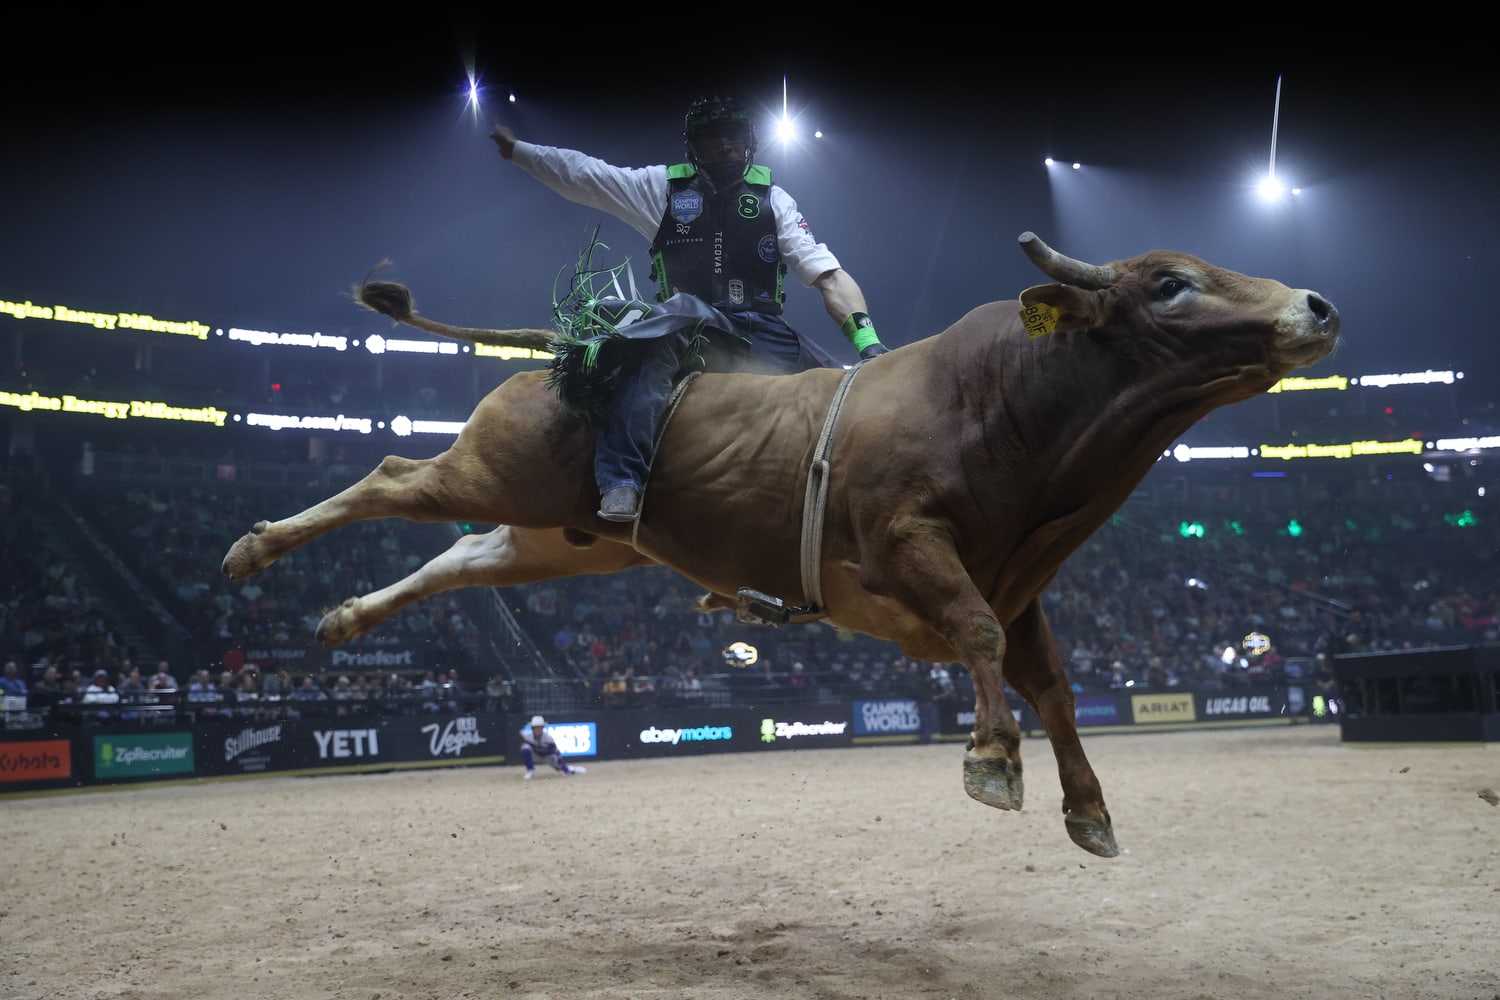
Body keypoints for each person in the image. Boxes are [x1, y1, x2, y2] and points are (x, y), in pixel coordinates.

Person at [489, 93, 888, 523]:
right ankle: (622, 480)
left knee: (844, 387)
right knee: (663, 325)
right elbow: (587, 175)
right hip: (689, 323)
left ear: (748, 141)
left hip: (761, 330)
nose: (725, 147)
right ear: (693, 145)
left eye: (733, 137)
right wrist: (519, 151)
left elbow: (828, 275)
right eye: (712, 138)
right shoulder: (659, 188)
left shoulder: (775, 200)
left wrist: (868, 343)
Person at [519, 714, 586, 780]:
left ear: (542, 728)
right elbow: (523, 743)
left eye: (539, 727)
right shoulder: (527, 736)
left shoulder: (549, 739)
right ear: (532, 728)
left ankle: (572, 769)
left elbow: (556, 753)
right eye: (535, 727)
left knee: (564, 771)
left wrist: (563, 768)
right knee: (525, 747)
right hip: (535, 755)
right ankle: (530, 771)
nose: (537, 729)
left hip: (547, 756)